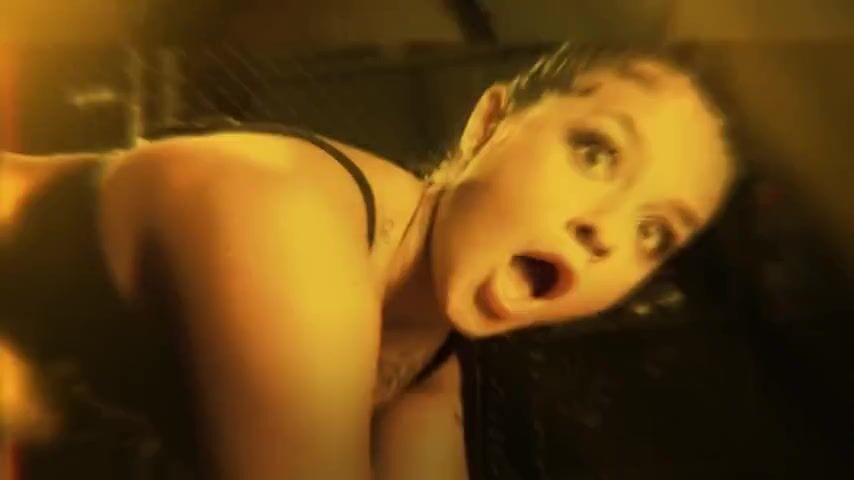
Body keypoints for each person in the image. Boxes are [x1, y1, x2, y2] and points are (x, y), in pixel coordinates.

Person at [0, 44, 736, 479]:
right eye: (596, 152)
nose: (608, 232)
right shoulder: (293, 226)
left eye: (655, 232)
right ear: (488, 126)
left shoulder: (433, 368)